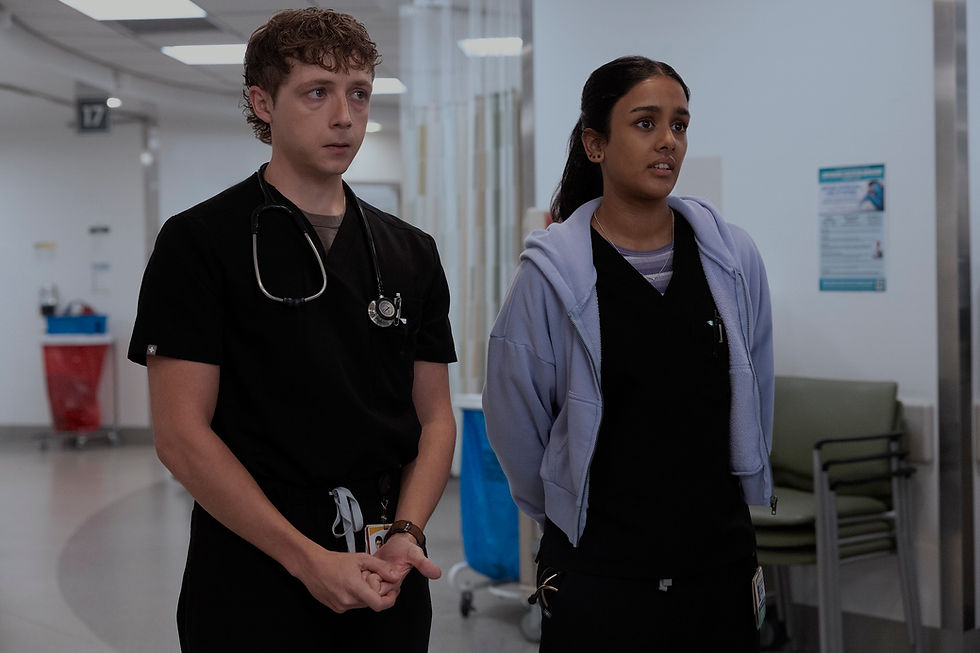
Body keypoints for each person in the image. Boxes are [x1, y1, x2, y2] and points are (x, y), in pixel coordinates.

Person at [128, 8, 457, 651]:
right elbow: (180, 436)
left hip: (384, 570)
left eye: (358, 93)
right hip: (254, 570)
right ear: (263, 102)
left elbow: (436, 418)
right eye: (317, 92)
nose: (345, 116)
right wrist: (306, 559)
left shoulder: (409, 252)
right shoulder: (200, 244)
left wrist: (407, 534)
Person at [483, 56, 774, 652]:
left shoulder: (732, 259)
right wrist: (567, 509)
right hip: (598, 566)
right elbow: (516, 425)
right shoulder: (551, 276)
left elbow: (758, 388)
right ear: (595, 143)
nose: (668, 140)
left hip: (715, 558)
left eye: (680, 124)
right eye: (646, 123)